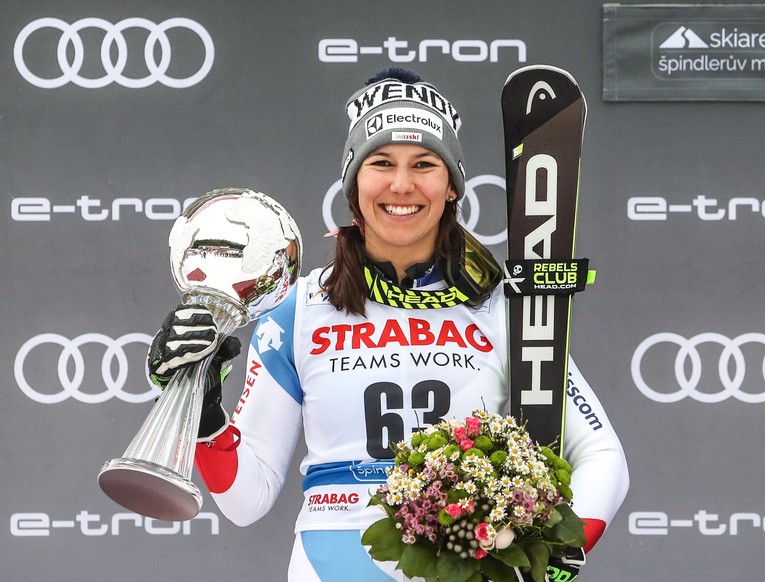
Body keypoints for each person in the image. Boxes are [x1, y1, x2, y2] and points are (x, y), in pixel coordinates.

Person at [147, 68, 629, 581]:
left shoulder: (500, 307)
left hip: (470, 565)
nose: (402, 184)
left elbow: (600, 453)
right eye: (381, 162)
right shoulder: (300, 308)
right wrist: (203, 415)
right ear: (354, 183)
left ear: (451, 186)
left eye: (425, 163)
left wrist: (556, 553)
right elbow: (246, 500)